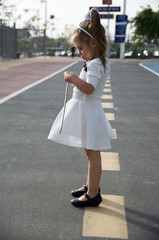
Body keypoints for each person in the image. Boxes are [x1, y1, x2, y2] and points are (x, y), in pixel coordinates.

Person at [48, 8, 115, 207]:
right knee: (90, 153)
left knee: (93, 154)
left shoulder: (95, 64)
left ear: (93, 43)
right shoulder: (96, 61)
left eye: (81, 48)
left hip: (90, 112)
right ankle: (90, 185)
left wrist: (73, 78)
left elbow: (89, 88)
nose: (79, 53)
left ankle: (93, 193)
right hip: (87, 111)